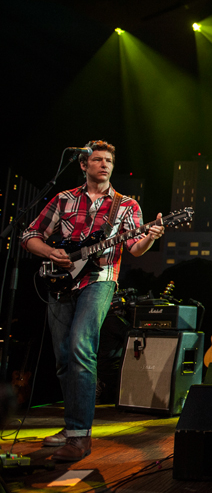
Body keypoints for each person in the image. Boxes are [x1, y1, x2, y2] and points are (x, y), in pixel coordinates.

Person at [22, 140, 165, 462]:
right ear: (83, 165)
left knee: (80, 348)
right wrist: (51, 252)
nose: (104, 165)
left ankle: (80, 435)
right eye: (97, 160)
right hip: (60, 282)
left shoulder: (126, 205)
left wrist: (151, 236)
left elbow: (135, 249)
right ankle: (72, 425)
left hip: (100, 280)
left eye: (108, 161)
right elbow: (29, 236)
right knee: (63, 358)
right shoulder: (63, 199)